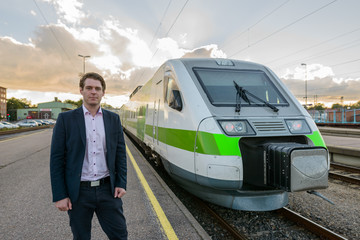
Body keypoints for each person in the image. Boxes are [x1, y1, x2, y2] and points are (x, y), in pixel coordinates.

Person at [50, 72, 128, 240]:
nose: (93, 92)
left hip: (108, 190)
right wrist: (60, 195)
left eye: (97, 89)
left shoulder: (113, 119)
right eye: (89, 88)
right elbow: (56, 160)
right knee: (81, 237)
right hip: (78, 193)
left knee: (120, 235)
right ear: (81, 90)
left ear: (103, 93)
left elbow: (120, 153)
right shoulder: (65, 119)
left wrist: (121, 182)